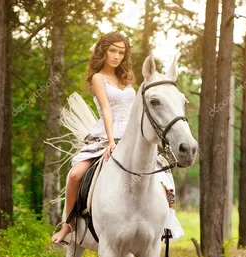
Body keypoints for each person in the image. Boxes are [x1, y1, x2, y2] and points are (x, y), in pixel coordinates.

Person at [51, 31, 183, 244]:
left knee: (164, 175)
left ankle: (165, 223)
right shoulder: (98, 78)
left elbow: (137, 109)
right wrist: (111, 141)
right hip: (105, 135)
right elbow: (106, 110)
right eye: (112, 51)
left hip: (132, 135)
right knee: (75, 174)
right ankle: (68, 225)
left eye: (121, 52)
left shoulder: (127, 78)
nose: (117, 56)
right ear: (103, 52)